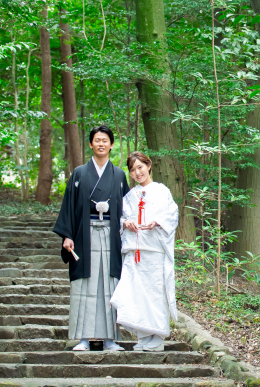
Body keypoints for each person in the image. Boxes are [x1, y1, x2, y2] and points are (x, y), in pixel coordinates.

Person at [53, 126, 130, 352]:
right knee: (84, 285)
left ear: (111, 144)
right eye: (97, 140)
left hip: (111, 235)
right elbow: (68, 206)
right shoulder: (79, 173)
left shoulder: (119, 175)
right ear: (90, 144)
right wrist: (67, 235)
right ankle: (84, 338)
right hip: (83, 235)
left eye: (105, 140)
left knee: (110, 284)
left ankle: (110, 339)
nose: (101, 144)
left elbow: (127, 208)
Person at [110, 151, 178, 352]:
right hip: (134, 251)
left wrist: (157, 221)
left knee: (154, 294)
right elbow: (121, 218)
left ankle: (156, 337)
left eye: (140, 167)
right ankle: (143, 336)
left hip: (154, 251)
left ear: (149, 166)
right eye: (132, 170)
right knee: (135, 294)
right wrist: (126, 223)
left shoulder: (162, 191)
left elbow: (172, 215)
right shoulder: (130, 196)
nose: (137, 173)